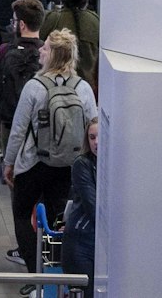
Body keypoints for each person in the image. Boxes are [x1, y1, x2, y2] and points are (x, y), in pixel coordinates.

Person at [3, 29, 98, 274]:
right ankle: (53, 269)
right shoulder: (83, 88)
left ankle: (34, 269)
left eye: (45, 48)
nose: (41, 52)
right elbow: (93, 125)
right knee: (57, 219)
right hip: (67, 166)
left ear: (53, 55)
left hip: (33, 163)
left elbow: (18, 130)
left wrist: (9, 162)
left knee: (22, 213)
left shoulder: (34, 87)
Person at [60, 118, 98, 280]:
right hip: (80, 244)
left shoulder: (117, 166)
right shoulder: (82, 165)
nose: (96, 142)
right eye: (92, 137)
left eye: (100, 137)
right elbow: (93, 206)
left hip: (97, 243)